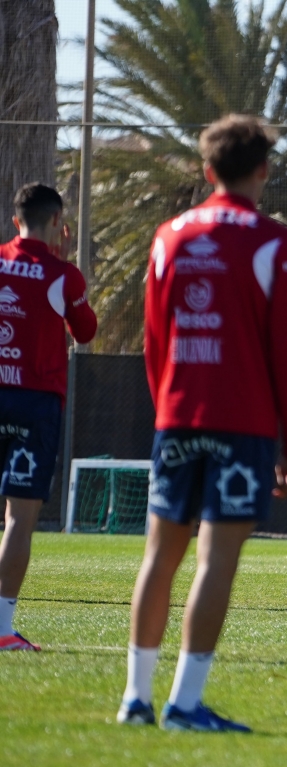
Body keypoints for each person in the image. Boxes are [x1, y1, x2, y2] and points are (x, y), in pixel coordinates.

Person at [117, 116, 287, 731]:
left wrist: (167, 408)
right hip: (242, 425)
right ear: (264, 170)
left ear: (206, 170)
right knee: (214, 559)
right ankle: (185, 704)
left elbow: (154, 341)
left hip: (176, 418)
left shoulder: (168, 235)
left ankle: (135, 699)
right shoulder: (277, 244)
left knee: (159, 556)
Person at [0, 184, 97, 651]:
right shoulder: (62, 274)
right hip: (35, 402)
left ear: (16, 219)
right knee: (19, 518)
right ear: (58, 221)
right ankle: (2, 628)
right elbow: (87, 332)